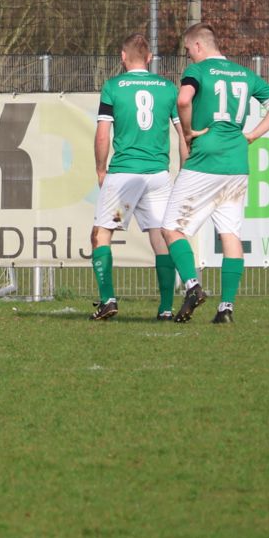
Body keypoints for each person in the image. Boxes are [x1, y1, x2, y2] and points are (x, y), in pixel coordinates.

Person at [160, 23, 269, 324]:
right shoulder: (244, 73)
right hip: (237, 164)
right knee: (230, 234)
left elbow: (183, 100)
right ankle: (226, 308)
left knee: (171, 229)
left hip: (206, 160)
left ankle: (193, 286)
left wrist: (188, 131)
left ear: (198, 46)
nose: (189, 56)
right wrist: (252, 135)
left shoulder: (198, 70)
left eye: (188, 50)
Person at [90, 32, 183, 322]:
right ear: (150, 58)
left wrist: (101, 169)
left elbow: (103, 134)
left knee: (102, 233)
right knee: (160, 236)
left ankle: (108, 300)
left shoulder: (114, 87)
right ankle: (166, 308)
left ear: (122, 57)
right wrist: (184, 171)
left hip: (125, 178)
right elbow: (184, 135)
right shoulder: (168, 88)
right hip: (157, 178)